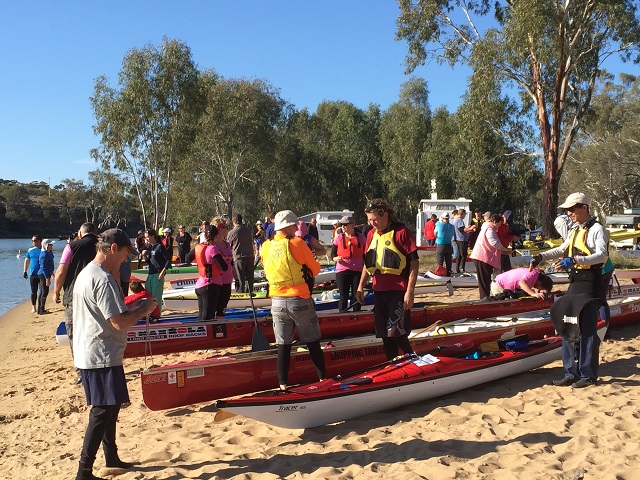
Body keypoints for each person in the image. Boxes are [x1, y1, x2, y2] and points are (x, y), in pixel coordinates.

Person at [72, 228, 158, 480]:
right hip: (100, 353)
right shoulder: (102, 278)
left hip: (94, 350)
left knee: (111, 407)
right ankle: (83, 471)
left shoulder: (87, 273)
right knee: (102, 410)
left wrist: (138, 307)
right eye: (124, 254)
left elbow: (107, 315)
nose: (125, 260)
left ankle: (111, 456)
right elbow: (119, 322)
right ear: (112, 249)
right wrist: (144, 309)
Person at [531, 192, 609, 389]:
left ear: (584, 208)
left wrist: (575, 260)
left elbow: (601, 255)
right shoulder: (575, 229)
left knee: (588, 330)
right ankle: (569, 372)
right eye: (567, 210)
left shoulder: (597, 229)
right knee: (567, 325)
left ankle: (588, 375)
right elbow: (561, 249)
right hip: (575, 283)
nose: (569, 213)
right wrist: (541, 256)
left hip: (590, 283)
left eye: (572, 209)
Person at [261, 210, 326, 391]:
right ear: (288, 226)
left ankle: (283, 385)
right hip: (299, 298)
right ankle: (323, 380)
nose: (297, 228)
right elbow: (316, 269)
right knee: (312, 341)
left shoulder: (266, 246)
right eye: (294, 225)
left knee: (283, 345)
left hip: (277, 301)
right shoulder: (296, 243)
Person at [356, 199, 419, 360]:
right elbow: (368, 263)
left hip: (398, 289)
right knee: (384, 334)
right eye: (369, 220)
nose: (372, 223)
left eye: (374, 219)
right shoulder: (370, 234)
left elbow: (414, 262)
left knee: (397, 332)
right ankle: (392, 363)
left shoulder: (401, 232)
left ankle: (412, 359)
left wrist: (410, 291)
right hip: (379, 290)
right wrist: (360, 286)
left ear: (385, 215)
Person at [54, 223, 100, 384]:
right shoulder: (103, 246)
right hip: (97, 296)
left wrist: (56, 292)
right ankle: (98, 367)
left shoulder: (71, 247)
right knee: (96, 333)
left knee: (75, 334)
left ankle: (81, 371)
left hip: (74, 296)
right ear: (95, 233)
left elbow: (61, 271)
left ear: (80, 234)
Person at [470, 213, 512, 300]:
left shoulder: (487, 227)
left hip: (483, 257)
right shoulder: (489, 228)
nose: (499, 226)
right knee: (484, 280)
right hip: (482, 257)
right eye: (499, 224)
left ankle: (485, 297)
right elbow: (494, 243)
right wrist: (506, 249)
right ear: (494, 222)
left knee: (486, 279)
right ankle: (484, 298)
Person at [331, 215, 366, 312]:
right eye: (342, 224)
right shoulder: (338, 238)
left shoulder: (361, 238)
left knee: (357, 293)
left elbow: (366, 254)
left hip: (357, 270)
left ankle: (357, 313)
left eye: (346, 224)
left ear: (352, 225)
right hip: (342, 270)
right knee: (343, 294)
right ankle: (342, 313)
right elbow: (332, 254)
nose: (343, 227)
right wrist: (335, 258)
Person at [194, 225, 226, 320]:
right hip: (210, 285)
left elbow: (187, 258)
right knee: (208, 316)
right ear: (216, 236)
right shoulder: (213, 249)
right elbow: (224, 267)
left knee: (201, 315)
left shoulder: (199, 247)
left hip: (200, 285)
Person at [142, 229, 171, 314]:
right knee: (148, 295)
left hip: (158, 274)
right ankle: (150, 313)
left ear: (153, 236)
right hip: (150, 273)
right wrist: (145, 256)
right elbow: (150, 261)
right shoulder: (149, 247)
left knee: (156, 296)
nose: (146, 239)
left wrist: (163, 271)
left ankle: (157, 314)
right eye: (145, 238)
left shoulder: (160, 246)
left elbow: (168, 259)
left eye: (147, 237)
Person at [227, 213, 255, 293]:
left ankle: (241, 293)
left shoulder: (232, 233)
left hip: (239, 257)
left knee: (240, 279)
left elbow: (228, 245)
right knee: (250, 279)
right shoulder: (248, 230)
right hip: (249, 256)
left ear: (233, 221)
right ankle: (250, 294)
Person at [212, 218, 234, 317]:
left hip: (227, 281)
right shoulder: (213, 246)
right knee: (214, 309)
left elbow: (232, 263)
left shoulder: (227, 245)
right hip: (217, 282)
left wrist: (237, 279)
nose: (228, 230)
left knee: (222, 309)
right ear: (220, 229)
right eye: (226, 227)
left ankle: (220, 327)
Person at [23, 235, 43, 314]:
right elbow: (27, 260)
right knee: (33, 291)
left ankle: (41, 306)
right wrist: (25, 271)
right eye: (32, 240)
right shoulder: (30, 250)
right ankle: (34, 307)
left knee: (42, 291)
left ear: (39, 241)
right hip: (33, 274)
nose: (32, 242)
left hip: (42, 274)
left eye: (34, 240)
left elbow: (49, 261)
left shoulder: (44, 249)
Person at [452, 208, 476, 273]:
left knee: (459, 254)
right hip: (461, 239)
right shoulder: (459, 220)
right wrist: (471, 228)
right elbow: (461, 229)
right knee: (463, 254)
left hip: (458, 239)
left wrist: (468, 227)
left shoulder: (455, 220)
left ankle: (457, 269)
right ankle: (462, 268)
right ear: (462, 214)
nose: (465, 216)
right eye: (465, 214)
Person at [37, 239, 55, 314]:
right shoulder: (43, 255)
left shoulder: (49, 252)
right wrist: (47, 278)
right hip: (43, 274)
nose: (52, 246)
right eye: (50, 245)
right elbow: (43, 267)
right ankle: (41, 309)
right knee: (44, 291)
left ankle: (41, 309)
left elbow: (50, 264)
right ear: (46, 246)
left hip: (47, 273)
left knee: (44, 291)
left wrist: (51, 273)